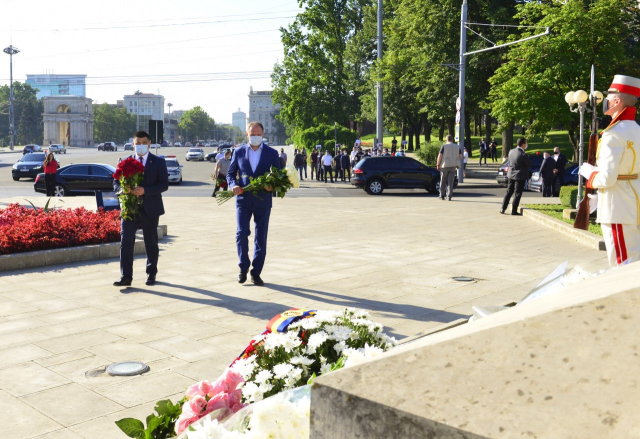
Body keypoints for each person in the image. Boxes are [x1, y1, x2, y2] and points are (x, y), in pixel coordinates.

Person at [579, 74, 640, 267]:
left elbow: (606, 178)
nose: (604, 99)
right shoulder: (636, 129)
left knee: (622, 265)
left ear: (617, 100)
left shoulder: (613, 135)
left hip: (617, 208)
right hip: (631, 203)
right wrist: (601, 196)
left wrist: (589, 174)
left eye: (609, 94)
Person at [227, 121, 282, 286]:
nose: (255, 137)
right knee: (241, 233)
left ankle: (256, 272)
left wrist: (272, 186)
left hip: (263, 201)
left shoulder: (272, 154)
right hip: (243, 199)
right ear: (247, 134)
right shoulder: (239, 152)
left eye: (258, 134)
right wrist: (233, 185)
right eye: (252, 134)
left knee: (261, 237)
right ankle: (243, 267)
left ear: (263, 135)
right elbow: (230, 174)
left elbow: (279, 176)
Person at [113, 130, 169, 287]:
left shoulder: (158, 162)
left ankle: (151, 274)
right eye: (138, 143)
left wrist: (146, 190)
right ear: (133, 144)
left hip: (150, 207)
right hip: (129, 208)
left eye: (144, 143)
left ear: (149, 144)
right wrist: (122, 189)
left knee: (150, 241)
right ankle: (126, 276)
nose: (141, 146)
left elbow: (164, 184)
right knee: (126, 241)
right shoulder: (125, 161)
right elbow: (115, 183)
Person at [500, 137, 531, 215]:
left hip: (511, 174)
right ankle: (514, 210)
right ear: (523, 144)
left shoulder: (511, 151)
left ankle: (502, 208)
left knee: (509, 191)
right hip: (520, 176)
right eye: (526, 143)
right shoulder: (523, 154)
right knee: (517, 193)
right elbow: (529, 164)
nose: (526, 145)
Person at [436, 135, 462, 201]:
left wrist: (438, 164)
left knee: (443, 181)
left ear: (446, 140)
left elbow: (440, 155)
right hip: (453, 166)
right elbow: (460, 156)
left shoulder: (444, 146)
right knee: (450, 182)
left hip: (445, 165)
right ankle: (449, 196)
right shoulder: (457, 146)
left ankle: (442, 195)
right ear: (452, 140)